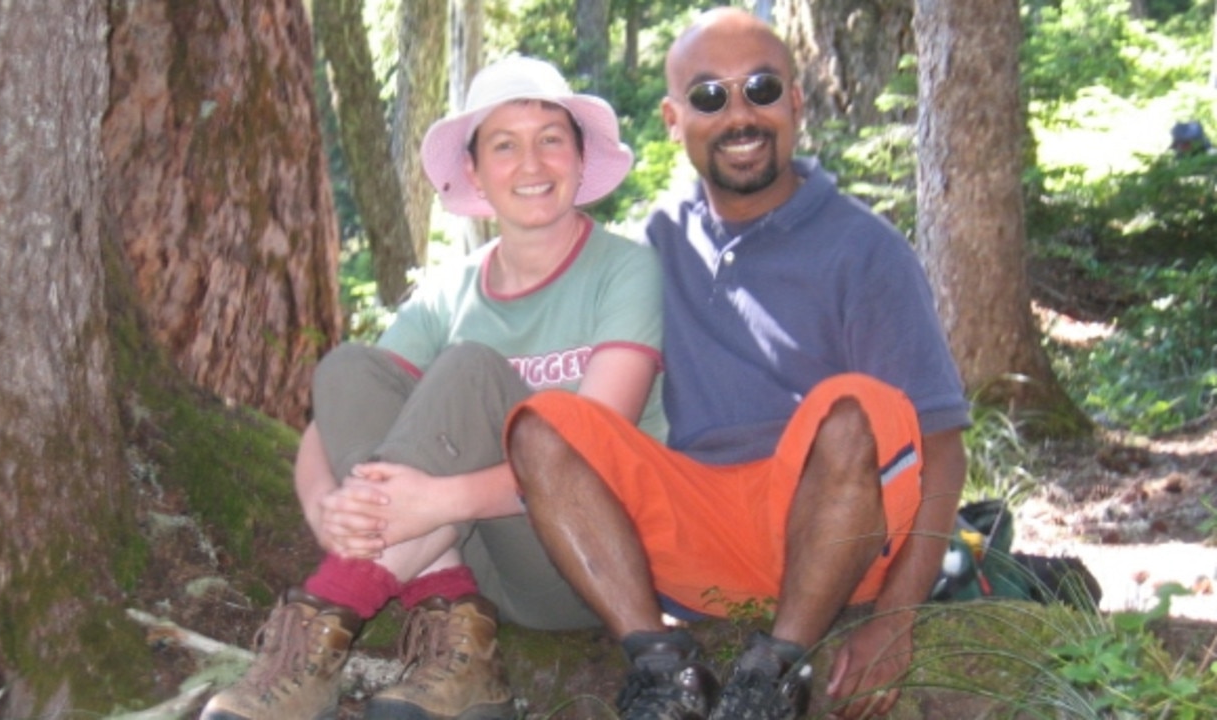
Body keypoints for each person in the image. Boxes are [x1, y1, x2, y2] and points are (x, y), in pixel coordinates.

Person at [505, 8, 970, 720]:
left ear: (796, 103)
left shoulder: (866, 250)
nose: (739, 114)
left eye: (761, 87)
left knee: (852, 407)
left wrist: (896, 622)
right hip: (696, 541)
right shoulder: (653, 244)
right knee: (544, 424)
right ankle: (661, 666)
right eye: (709, 96)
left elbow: (940, 449)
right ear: (672, 117)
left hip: (836, 537)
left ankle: (773, 670)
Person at [200, 55, 666, 720]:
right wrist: (328, 506)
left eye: (551, 140)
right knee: (348, 367)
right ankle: (460, 647)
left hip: (588, 560)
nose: (531, 165)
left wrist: (437, 498)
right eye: (505, 145)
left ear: (581, 158)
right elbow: (331, 418)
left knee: (471, 369)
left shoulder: (628, 271)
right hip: (479, 557)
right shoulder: (452, 290)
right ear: (475, 171)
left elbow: (592, 450)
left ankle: (314, 638)